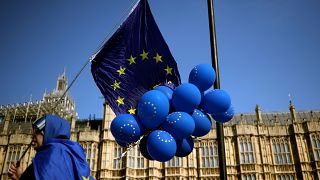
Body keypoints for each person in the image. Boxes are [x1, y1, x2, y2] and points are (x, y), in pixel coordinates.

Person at [9, 114, 92, 180]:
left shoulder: (47, 157)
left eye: (37, 132)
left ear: (48, 132)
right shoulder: (74, 156)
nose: (32, 136)